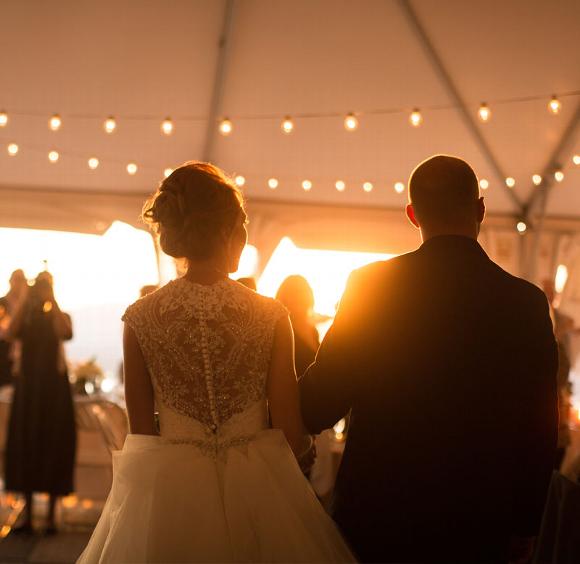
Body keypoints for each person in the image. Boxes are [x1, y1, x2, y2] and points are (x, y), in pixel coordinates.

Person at [77, 162, 354, 563]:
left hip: (172, 496)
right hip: (261, 491)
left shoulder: (140, 319)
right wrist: (305, 450)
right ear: (229, 231)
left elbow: (141, 441)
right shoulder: (271, 316)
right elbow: (291, 435)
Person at [300, 154, 558, 563]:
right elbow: (541, 427)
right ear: (480, 209)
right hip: (478, 524)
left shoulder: (372, 287)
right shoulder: (525, 302)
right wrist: (526, 525)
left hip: (378, 517)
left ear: (412, 215)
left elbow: (321, 400)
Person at [4, 272, 76, 534]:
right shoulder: (27, 317)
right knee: (26, 442)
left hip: (54, 390)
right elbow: (10, 332)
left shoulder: (61, 315)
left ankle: (50, 516)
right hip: (29, 388)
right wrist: (25, 298)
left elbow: (65, 333)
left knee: (55, 442)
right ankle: (27, 515)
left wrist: (52, 299)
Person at [276, 275, 320, 377]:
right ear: (284, 298)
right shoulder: (282, 331)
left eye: (302, 292)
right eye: (294, 293)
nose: (299, 298)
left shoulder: (313, 331)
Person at [0, 270, 27, 386]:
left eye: (22, 281)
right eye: (17, 280)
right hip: (4, 354)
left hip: (21, 357)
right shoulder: (2, 304)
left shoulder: (27, 305)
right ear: (11, 282)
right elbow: (6, 332)